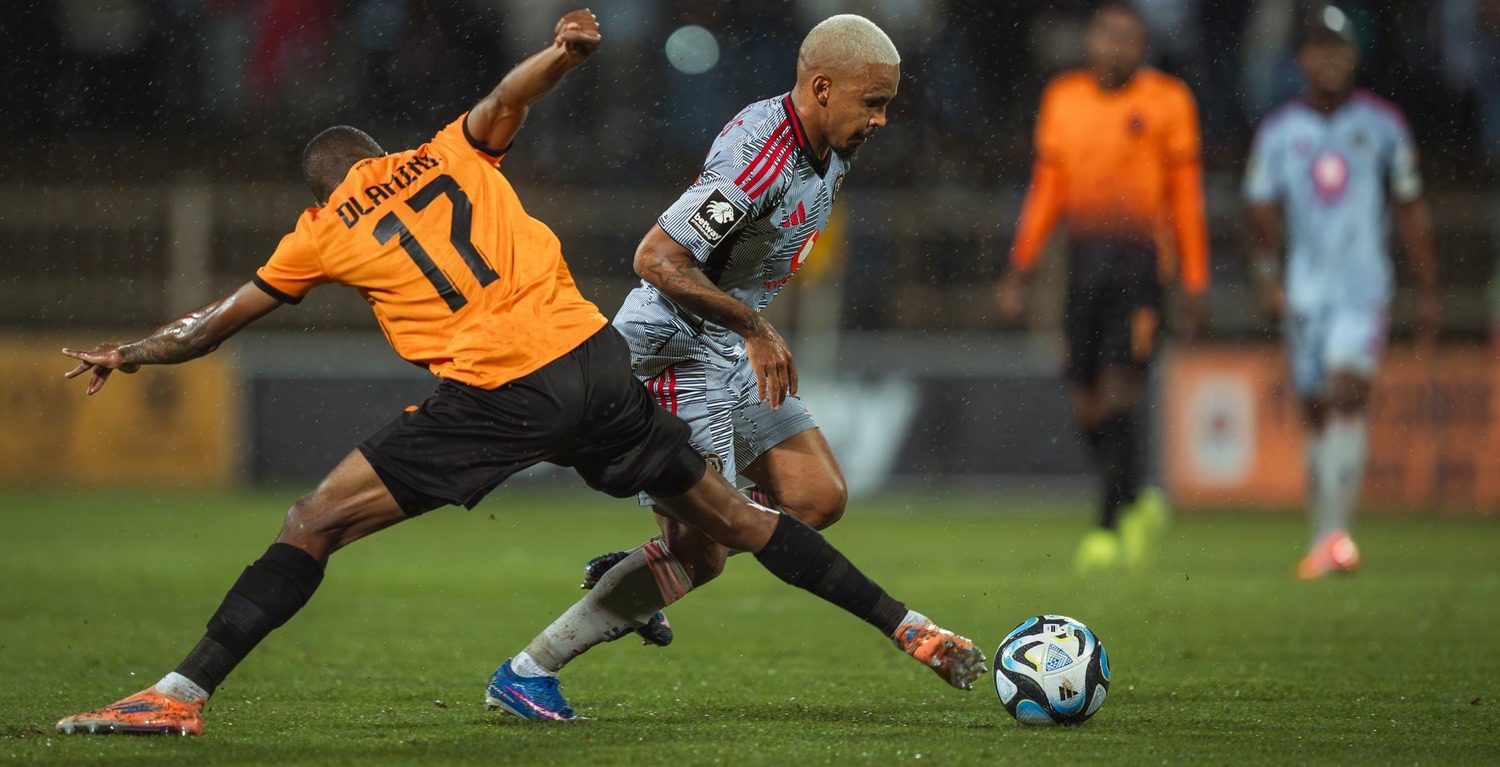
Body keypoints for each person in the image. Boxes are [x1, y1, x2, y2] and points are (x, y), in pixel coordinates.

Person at [53, 10, 983, 736]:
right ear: (381, 156)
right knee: (735, 525)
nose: (881, 120)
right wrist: (567, 53)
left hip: (502, 391)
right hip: (599, 359)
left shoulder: (322, 229)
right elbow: (509, 99)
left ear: (320, 189)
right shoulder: (445, 150)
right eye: (874, 103)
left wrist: (132, 351)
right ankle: (911, 628)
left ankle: (180, 689)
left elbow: (214, 324)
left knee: (315, 521)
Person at [486, 13, 908, 714]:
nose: (882, 119)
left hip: (727, 338)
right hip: (674, 344)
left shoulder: (834, 144)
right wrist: (755, 326)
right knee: (702, 554)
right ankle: (528, 671)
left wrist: (747, 327)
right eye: (873, 102)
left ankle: (637, 574)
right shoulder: (759, 159)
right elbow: (655, 258)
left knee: (815, 499)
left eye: (887, 103)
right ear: (823, 87)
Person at [996, 2, 1210, 574]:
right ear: (1089, 41)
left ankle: (1108, 525)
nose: (1115, 47)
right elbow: (1048, 188)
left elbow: (1185, 197)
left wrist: (1194, 279)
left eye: (1127, 38)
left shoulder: (1168, 101)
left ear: (1143, 48)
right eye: (1106, 36)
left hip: (1141, 269)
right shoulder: (1064, 97)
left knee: (1120, 390)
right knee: (1086, 405)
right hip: (1083, 267)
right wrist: (1020, 266)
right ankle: (1137, 494)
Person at [1244, 6, 1438, 580]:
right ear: (1301, 59)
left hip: (1362, 288)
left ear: (1354, 57)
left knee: (1347, 391)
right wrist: (1267, 278)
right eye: (1321, 49)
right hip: (1304, 292)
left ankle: (1336, 536)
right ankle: (1323, 533)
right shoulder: (1279, 132)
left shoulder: (1383, 125)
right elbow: (1259, 210)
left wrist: (1428, 288)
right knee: (1315, 409)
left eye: (1341, 49)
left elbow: (1408, 207)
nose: (1332, 59)